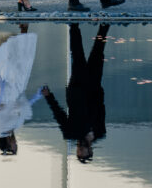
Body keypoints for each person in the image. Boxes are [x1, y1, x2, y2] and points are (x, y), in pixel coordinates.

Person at [41, 23, 110, 163]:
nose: (79, 150)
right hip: (94, 89)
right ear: (90, 151)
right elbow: (101, 111)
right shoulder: (99, 132)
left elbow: (59, 114)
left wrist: (49, 97)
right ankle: (104, 26)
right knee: (98, 54)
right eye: (83, 153)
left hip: (77, 89)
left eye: (79, 153)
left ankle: (74, 25)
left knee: (78, 55)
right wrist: (100, 95)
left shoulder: (71, 133)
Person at [0, 23, 44, 155]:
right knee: (21, 60)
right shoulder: (13, 128)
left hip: (3, 92)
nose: (15, 142)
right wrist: (38, 95)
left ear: (8, 143)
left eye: (14, 145)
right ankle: (24, 28)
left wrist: (0, 89)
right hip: (14, 91)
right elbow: (23, 107)